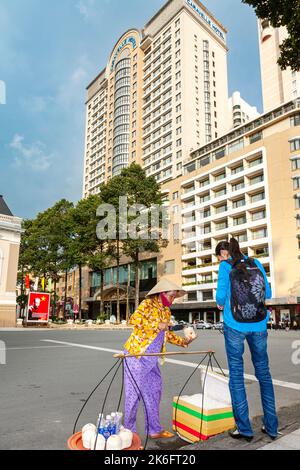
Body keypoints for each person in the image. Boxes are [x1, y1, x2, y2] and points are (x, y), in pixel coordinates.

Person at [216, 238, 278, 441]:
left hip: (235, 325)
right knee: (264, 374)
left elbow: (220, 298)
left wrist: (220, 303)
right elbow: (267, 293)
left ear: (223, 254)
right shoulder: (256, 263)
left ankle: (244, 429)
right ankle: (271, 426)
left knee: (236, 374)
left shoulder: (225, 266)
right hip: (259, 324)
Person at [123, 279, 195, 439]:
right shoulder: (147, 304)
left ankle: (154, 429)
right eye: (171, 296)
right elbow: (134, 320)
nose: (173, 299)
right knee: (133, 395)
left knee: (154, 392)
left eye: (175, 297)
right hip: (137, 355)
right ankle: (129, 434)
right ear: (162, 293)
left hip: (152, 359)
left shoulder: (166, 311)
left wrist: (184, 342)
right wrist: (157, 324)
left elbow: (166, 334)